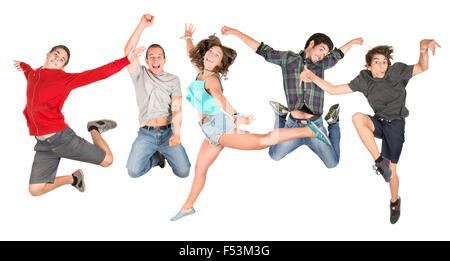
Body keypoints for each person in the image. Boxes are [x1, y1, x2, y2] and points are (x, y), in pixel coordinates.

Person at [170, 24, 332, 221]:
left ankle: (308, 132)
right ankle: (188, 207)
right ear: (204, 54)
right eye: (210, 52)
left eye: (217, 55)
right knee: (200, 170)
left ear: (221, 63)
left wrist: (237, 116)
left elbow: (220, 98)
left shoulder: (211, 79)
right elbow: (190, 55)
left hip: (219, 128)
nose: (211, 56)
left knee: (261, 141)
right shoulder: (200, 72)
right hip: (209, 131)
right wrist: (188, 38)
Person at [301, 39, 441, 224]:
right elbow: (333, 90)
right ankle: (379, 161)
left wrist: (423, 49)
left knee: (392, 173)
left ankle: (394, 201)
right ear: (368, 66)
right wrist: (311, 75)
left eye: (384, 61)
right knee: (357, 117)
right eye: (377, 62)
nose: (382, 66)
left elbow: (422, 67)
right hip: (379, 122)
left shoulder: (397, 72)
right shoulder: (364, 79)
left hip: (396, 125)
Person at [221, 26, 363, 168]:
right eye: (321, 50)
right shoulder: (289, 59)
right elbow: (262, 50)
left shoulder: (321, 64)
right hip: (293, 125)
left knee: (333, 163)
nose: (322, 56)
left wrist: (352, 42)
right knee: (274, 155)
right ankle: (281, 117)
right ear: (311, 44)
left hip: (315, 126)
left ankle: (333, 122)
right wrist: (235, 32)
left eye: (325, 54)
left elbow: (338, 54)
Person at [13, 44, 144, 196]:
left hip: (62, 139)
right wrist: (23, 65)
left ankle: (94, 129)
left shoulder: (64, 79)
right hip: (43, 145)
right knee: (35, 190)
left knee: (108, 160)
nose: (57, 59)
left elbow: (97, 74)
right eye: (56, 54)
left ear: (62, 66)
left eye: (62, 59)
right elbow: (28, 71)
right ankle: (73, 179)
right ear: (48, 54)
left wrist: (125, 61)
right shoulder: (33, 75)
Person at [124, 14, 191, 179]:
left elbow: (177, 108)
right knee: (133, 171)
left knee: (183, 172)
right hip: (146, 134)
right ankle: (156, 158)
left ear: (164, 59)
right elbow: (128, 53)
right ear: (146, 60)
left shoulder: (173, 80)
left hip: (168, 132)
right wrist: (141, 25)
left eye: (159, 56)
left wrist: (177, 134)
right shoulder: (140, 74)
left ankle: (165, 152)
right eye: (151, 57)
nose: (155, 60)